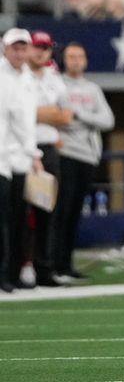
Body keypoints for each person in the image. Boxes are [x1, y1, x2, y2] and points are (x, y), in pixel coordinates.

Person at [53, 42, 114, 283]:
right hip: (65, 153)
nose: (76, 61)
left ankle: (67, 264)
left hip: (88, 156)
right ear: (64, 59)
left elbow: (108, 120)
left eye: (80, 56)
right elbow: (60, 119)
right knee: (62, 211)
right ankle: (55, 264)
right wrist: (87, 119)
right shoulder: (56, 85)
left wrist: (79, 115)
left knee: (75, 213)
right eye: (71, 56)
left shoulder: (93, 89)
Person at [26, 31, 70, 287]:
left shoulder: (54, 78)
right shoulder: (18, 76)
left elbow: (65, 116)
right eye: (37, 47)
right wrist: (45, 114)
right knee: (18, 214)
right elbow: (17, 115)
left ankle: (44, 268)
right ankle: (17, 266)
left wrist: (35, 114)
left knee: (48, 211)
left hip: (49, 148)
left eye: (45, 48)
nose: (41, 52)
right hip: (21, 149)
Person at [3, 28, 45, 289]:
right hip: (3, 158)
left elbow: (28, 121)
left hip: (21, 158)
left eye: (23, 48)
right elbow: (15, 118)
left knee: (19, 219)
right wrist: (34, 152)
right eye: (14, 48)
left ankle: (15, 271)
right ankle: (4, 273)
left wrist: (31, 154)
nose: (19, 53)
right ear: (4, 49)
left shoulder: (28, 78)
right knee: (4, 221)